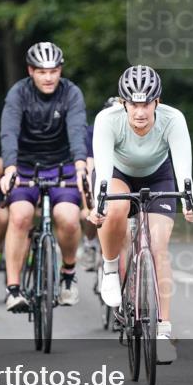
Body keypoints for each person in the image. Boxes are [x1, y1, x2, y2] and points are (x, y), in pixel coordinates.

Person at [88, 66, 193, 364]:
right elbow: (101, 166)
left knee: (159, 248)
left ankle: (163, 331)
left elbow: (182, 166)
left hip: (158, 176)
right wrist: (98, 204)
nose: (140, 111)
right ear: (124, 103)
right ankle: (110, 270)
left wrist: (189, 199)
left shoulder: (173, 119)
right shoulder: (107, 120)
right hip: (117, 173)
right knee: (117, 208)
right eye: (134, 104)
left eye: (146, 103)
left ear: (157, 102)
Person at [0, 41, 89, 312]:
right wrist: (10, 168)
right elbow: (9, 131)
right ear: (30, 71)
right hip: (25, 166)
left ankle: (68, 274)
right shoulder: (18, 94)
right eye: (41, 71)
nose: (48, 77)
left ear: (60, 70)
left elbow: (77, 130)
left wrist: (81, 166)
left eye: (53, 71)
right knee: (20, 216)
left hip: (63, 166)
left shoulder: (71, 93)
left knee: (69, 219)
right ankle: (13, 290)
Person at [79, 96, 120, 273]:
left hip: (121, 176)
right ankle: (89, 243)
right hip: (100, 174)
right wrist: (87, 202)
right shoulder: (93, 131)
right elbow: (89, 168)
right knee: (92, 212)